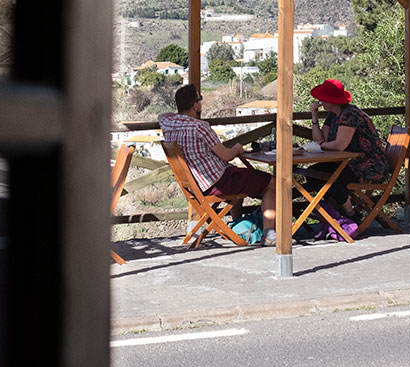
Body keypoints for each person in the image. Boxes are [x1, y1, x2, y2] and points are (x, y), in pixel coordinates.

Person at [159, 84, 277, 245]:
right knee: (273, 183)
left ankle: (238, 226)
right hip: (216, 183)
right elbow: (226, 156)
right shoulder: (200, 127)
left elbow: (163, 115)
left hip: (195, 186)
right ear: (195, 105)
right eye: (199, 100)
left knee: (240, 175)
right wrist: (237, 148)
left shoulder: (167, 123)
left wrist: (181, 112)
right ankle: (270, 236)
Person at [305, 78, 388, 218]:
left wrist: (320, 146)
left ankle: (350, 214)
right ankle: (336, 212)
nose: (320, 101)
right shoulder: (333, 115)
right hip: (348, 162)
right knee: (313, 173)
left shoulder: (350, 114)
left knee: (334, 178)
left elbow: (339, 145)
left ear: (332, 101)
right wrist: (314, 117)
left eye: (323, 98)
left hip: (369, 165)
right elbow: (319, 139)